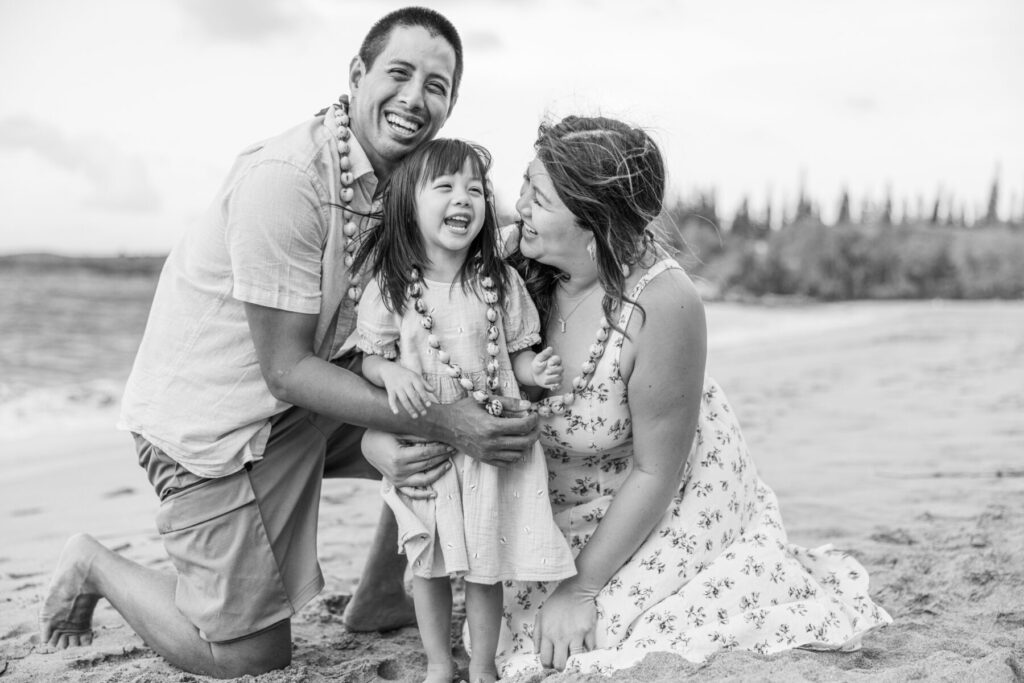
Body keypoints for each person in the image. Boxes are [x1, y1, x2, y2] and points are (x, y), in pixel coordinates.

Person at [37, 8, 538, 679]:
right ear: (357, 75)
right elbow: (286, 369)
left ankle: (384, 596)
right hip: (210, 434)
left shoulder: (410, 185)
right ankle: (92, 561)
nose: (416, 98)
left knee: (454, 401)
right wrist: (451, 420)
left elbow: (478, 256)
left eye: (438, 85)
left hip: (300, 410)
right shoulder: (289, 179)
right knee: (248, 653)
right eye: (399, 73)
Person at [365, 114, 893, 678]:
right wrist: (376, 441)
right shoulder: (499, 262)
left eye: (538, 199)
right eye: (523, 186)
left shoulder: (664, 303)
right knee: (512, 633)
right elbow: (401, 352)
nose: (517, 208)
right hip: (542, 499)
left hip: (659, 495)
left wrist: (581, 588)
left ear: (593, 222)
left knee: (603, 638)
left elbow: (655, 472)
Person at [352, 137, 576, 683]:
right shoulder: (391, 287)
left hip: (489, 450)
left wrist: (534, 373)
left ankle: (480, 665)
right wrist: (392, 373)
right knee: (425, 564)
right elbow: (369, 360)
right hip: (428, 452)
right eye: (446, 187)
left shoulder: (499, 281)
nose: (464, 199)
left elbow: (515, 353)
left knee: (485, 568)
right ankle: (436, 663)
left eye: (475, 189)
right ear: (409, 203)